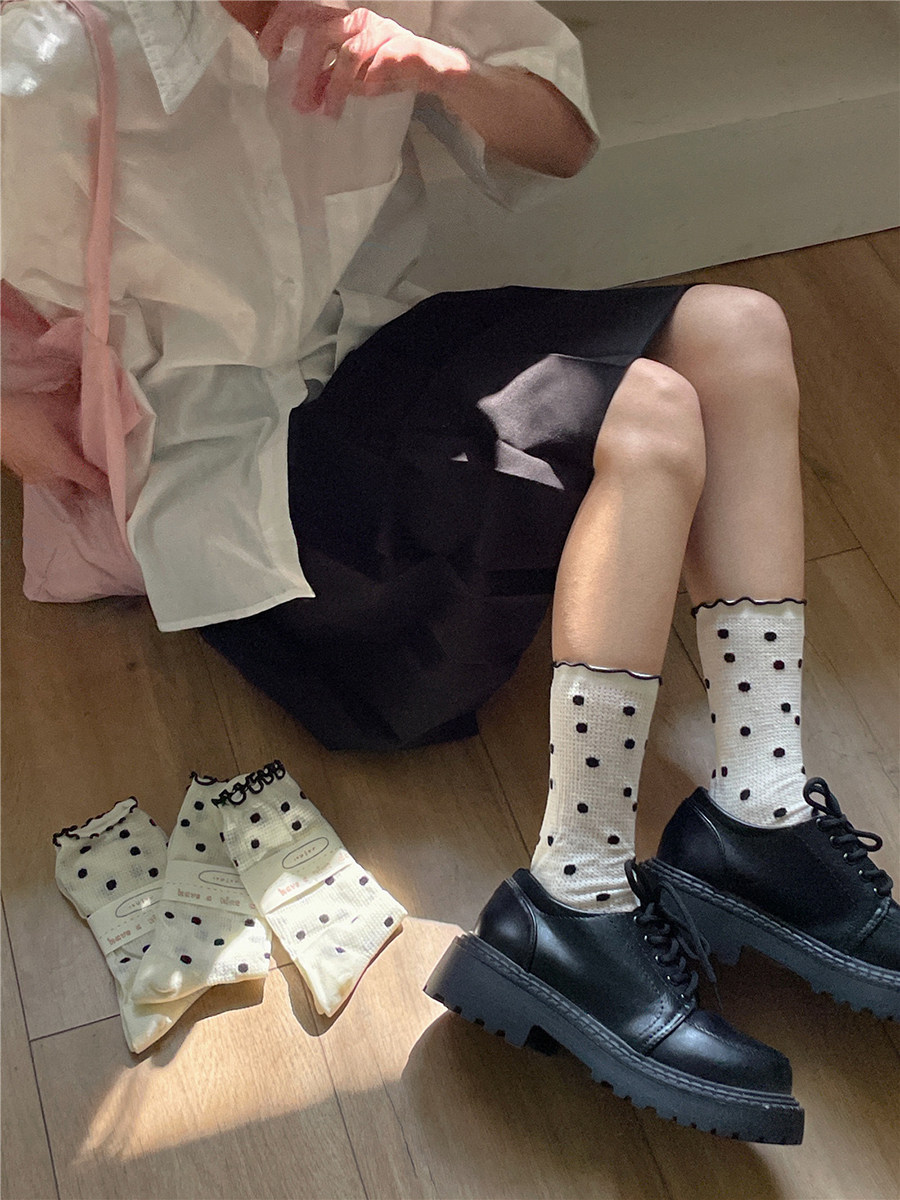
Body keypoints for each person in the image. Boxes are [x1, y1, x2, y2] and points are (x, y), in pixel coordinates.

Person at [2, 0, 896, 1145]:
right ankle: (575, 897)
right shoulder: (49, 49)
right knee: (649, 418)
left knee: (740, 331)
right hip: (237, 479)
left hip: (367, 354)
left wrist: (446, 70)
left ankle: (759, 808)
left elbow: (560, 137)